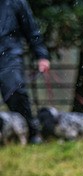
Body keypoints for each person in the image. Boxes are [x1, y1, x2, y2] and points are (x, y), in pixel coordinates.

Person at [0, 0, 50, 144]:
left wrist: (42, 56)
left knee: (15, 92)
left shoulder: (16, 2)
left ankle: (31, 132)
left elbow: (31, 29)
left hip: (9, 55)